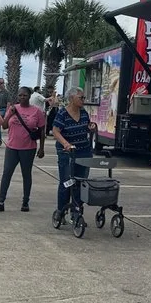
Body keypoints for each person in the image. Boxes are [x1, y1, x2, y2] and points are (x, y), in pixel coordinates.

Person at [0, 87, 45, 212]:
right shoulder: (13, 109)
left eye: (24, 95)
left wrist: (41, 148)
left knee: (26, 175)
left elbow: (42, 130)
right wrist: (10, 114)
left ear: (29, 96)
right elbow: (4, 126)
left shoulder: (37, 111)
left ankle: (25, 201)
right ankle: (1, 201)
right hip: (12, 147)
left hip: (28, 148)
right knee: (6, 174)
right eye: (20, 95)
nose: (22, 97)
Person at [48, 88, 95, 229]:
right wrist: (66, 144)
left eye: (83, 97)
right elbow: (55, 131)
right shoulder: (63, 113)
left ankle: (76, 213)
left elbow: (86, 126)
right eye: (81, 97)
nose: (83, 99)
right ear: (72, 98)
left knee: (80, 182)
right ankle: (61, 211)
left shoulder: (84, 112)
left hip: (83, 151)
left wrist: (90, 127)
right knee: (67, 182)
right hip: (67, 153)